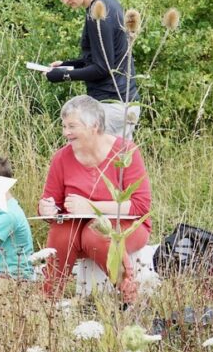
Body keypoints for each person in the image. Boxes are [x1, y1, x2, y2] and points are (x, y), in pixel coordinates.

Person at [38, 96, 152, 302]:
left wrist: (92, 207)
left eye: (72, 126)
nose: (66, 133)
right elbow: (50, 201)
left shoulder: (126, 152)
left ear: (95, 126)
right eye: (64, 126)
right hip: (75, 230)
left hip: (125, 225)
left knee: (96, 231)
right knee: (61, 231)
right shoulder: (61, 158)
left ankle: (128, 290)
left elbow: (140, 205)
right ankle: (48, 301)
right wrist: (46, 209)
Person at [44, 0, 140, 139]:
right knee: (113, 164)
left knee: (96, 163)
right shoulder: (106, 3)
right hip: (121, 103)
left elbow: (103, 68)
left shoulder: (99, 14)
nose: (64, 1)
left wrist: (63, 76)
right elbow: (100, 57)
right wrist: (67, 65)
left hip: (113, 104)